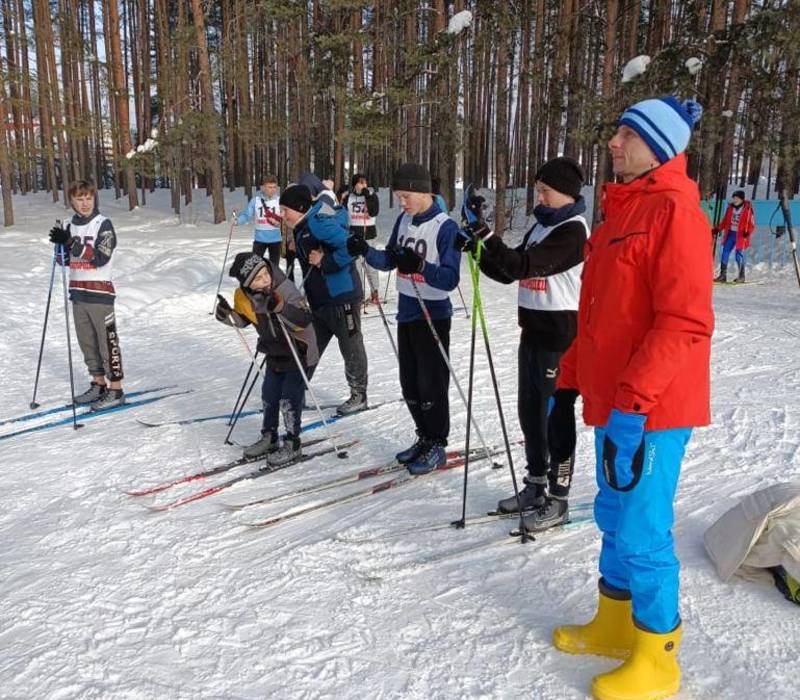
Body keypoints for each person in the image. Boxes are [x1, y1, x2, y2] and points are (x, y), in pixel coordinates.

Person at [548, 96, 713, 700]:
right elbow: (597, 318)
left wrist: (633, 405)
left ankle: (657, 655)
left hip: (653, 408)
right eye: (617, 132)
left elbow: (684, 323)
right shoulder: (619, 214)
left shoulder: (676, 214)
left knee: (643, 527)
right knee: (613, 517)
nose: (613, 143)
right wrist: (567, 379)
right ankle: (615, 626)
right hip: (615, 401)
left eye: (627, 134)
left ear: (660, 147)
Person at [460, 157, 588, 531]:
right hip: (532, 332)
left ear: (566, 193)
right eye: (539, 190)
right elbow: (507, 271)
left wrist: (486, 235)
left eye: (546, 191)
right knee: (529, 414)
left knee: (554, 418)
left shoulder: (572, 232)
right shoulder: (542, 226)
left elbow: (522, 266)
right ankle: (534, 485)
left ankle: (558, 497)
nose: (540, 197)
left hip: (561, 337)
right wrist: (476, 248)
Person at [347, 163, 461, 475]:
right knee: (409, 382)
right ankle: (423, 437)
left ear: (424, 192)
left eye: (406, 196)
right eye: (399, 197)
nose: (402, 203)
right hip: (408, 310)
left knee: (431, 384)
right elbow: (389, 260)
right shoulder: (404, 221)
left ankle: (437, 443)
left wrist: (421, 266)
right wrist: (365, 251)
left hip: (433, 314)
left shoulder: (445, 227)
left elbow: (451, 279)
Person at [215, 252, 319, 464]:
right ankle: (269, 437)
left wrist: (280, 307)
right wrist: (226, 315)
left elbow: (304, 319)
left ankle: (293, 443)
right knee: (269, 395)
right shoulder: (243, 297)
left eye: (265, 274)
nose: (264, 280)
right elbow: (244, 320)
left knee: (288, 398)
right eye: (257, 279)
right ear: (247, 285)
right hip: (274, 351)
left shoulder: (284, 288)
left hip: (299, 350)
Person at [279, 184, 370, 415]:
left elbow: (352, 246)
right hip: (320, 299)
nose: (282, 215)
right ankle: (294, 392)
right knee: (309, 346)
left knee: (350, 345)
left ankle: (359, 395)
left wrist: (325, 260)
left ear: (299, 208)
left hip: (342, 295)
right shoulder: (303, 225)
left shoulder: (318, 223)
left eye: (285, 210)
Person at [48, 180, 126, 411]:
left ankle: (116, 389)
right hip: (78, 293)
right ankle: (98, 384)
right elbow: (64, 261)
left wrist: (71, 243)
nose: (84, 203)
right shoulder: (69, 224)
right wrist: (59, 245)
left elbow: (100, 257)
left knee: (107, 343)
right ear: (71, 201)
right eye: (79, 199)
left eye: (88, 198)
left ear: (94, 199)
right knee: (87, 343)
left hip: (100, 293)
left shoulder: (103, 224)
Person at [341, 173, 381, 305]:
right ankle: (360, 294)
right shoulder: (349, 197)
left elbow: (374, 211)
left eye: (365, 182)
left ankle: (375, 293)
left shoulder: (371, 195)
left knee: (370, 265)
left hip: (368, 234)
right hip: (353, 235)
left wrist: (365, 193)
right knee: (356, 267)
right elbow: (342, 212)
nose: (363, 185)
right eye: (360, 182)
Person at [236, 175, 282, 264]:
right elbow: (246, 215)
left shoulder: (280, 201)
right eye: (269, 187)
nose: (272, 190)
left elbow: (286, 217)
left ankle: (272, 278)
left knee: (274, 268)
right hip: (260, 240)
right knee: (255, 266)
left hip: (275, 240)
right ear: (264, 187)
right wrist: (237, 221)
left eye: (274, 187)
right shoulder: (255, 201)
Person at [713, 189, 755, 283]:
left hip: (741, 235)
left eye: (737, 198)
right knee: (725, 252)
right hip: (731, 233)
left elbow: (751, 224)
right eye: (734, 198)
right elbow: (725, 221)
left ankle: (741, 276)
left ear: (742, 199)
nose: (735, 200)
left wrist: (747, 232)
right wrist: (717, 229)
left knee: (738, 255)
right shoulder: (730, 208)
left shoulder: (747, 210)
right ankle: (723, 275)